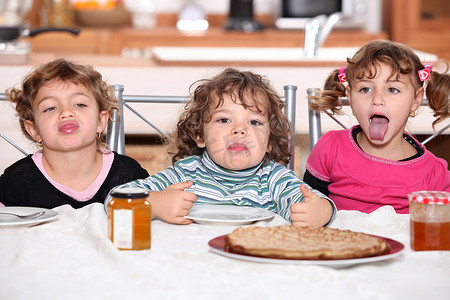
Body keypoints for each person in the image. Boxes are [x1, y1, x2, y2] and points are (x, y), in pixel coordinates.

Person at [107, 68, 336, 226]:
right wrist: (153, 204)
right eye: (224, 120)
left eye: (254, 122)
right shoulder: (185, 174)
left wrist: (320, 212)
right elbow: (114, 200)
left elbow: (316, 203)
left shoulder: (274, 178)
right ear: (200, 135)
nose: (239, 130)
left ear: (269, 142)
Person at [303, 40, 450, 214]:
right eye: (365, 89)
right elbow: (307, 205)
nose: (377, 99)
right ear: (350, 96)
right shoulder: (330, 148)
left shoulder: (434, 174)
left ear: (416, 100)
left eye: (393, 90)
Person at [0, 58, 149, 208]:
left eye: (80, 104)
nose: (66, 112)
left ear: (101, 121)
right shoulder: (15, 182)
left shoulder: (129, 174)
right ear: (34, 130)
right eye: (50, 108)